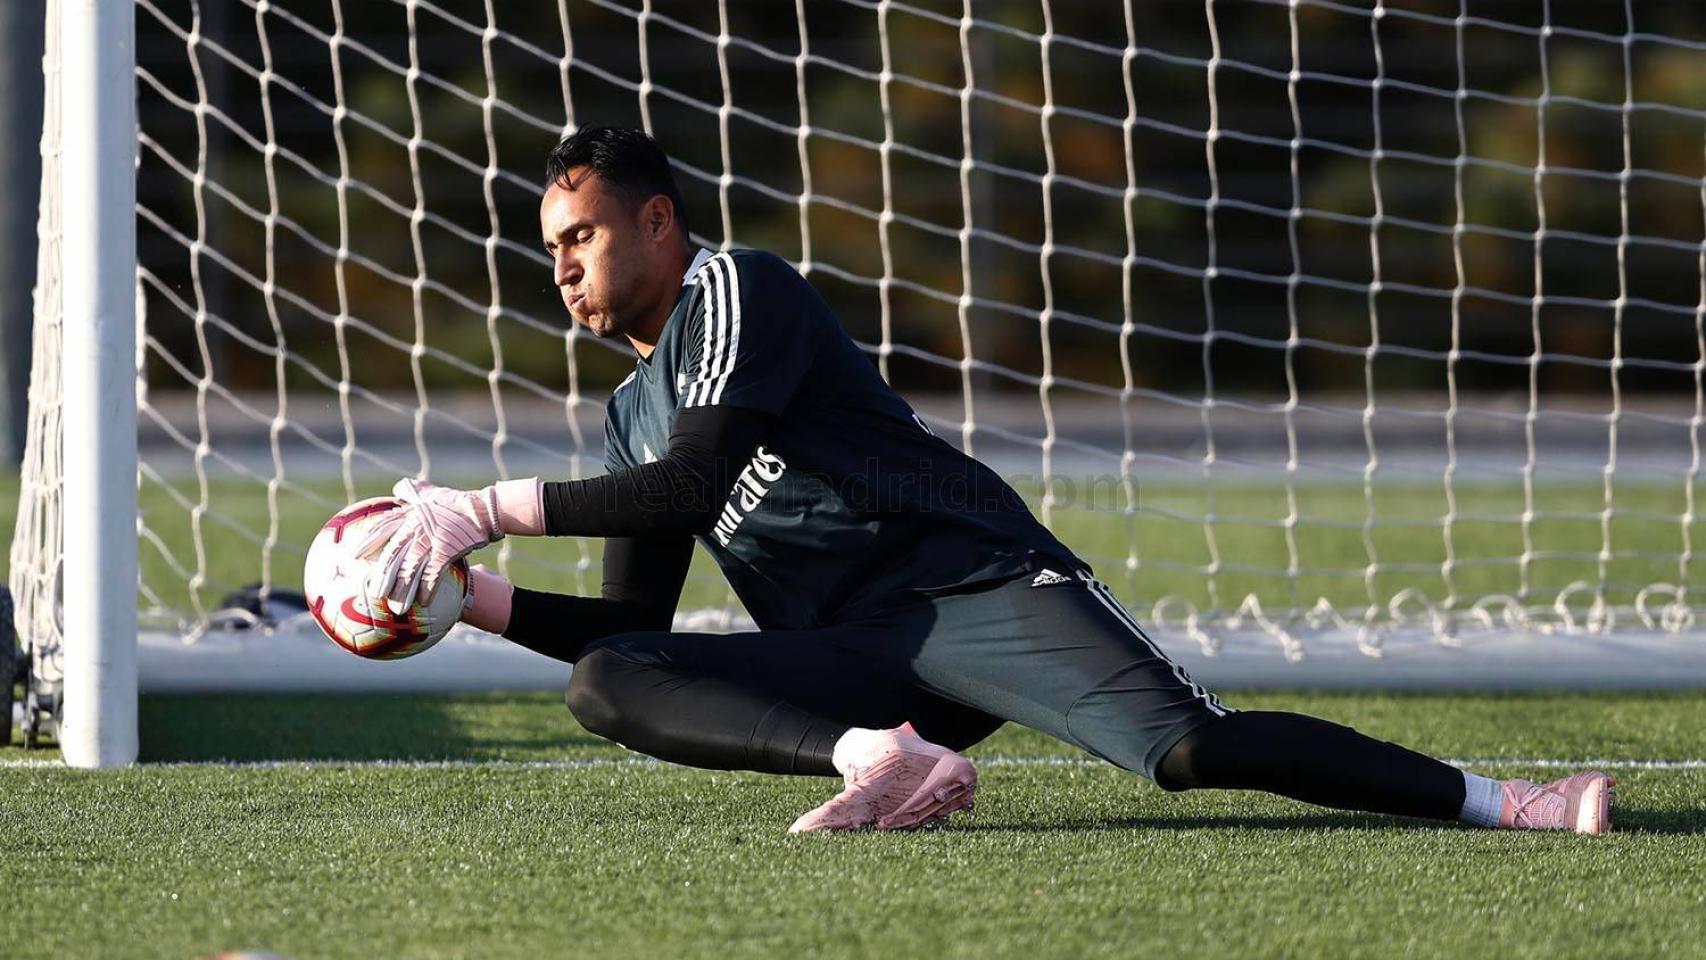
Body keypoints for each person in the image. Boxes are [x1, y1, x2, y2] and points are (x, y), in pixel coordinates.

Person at [358, 126, 1614, 835]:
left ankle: (1510, 800)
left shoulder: (738, 290)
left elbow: (691, 484)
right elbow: (634, 621)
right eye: (549, 252)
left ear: (657, 224)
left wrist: (477, 508)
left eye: (579, 235)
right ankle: (878, 760)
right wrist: (465, 599)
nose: (563, 268)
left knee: (1187, 754)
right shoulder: (625, 407)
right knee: (606, 679)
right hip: (861, 663)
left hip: (973, 590)